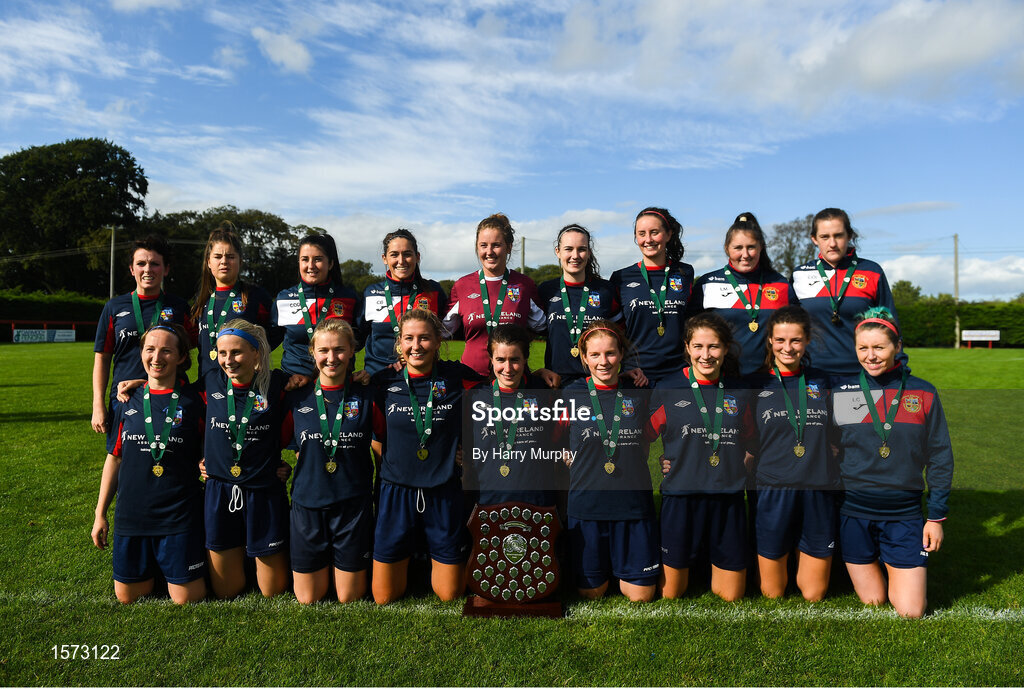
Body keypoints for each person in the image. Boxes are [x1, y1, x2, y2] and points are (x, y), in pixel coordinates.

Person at [832, 307, 952, 618]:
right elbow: (830, 450)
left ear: (897, 347)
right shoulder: (843, 391)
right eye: (863, 348)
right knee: (873, 601)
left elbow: (939, 456)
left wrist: (936, 517)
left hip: (904, 514)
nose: (870, 356)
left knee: (911, 610)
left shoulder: (922, 392)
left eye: (879, 347)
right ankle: (880, 563)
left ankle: (897, 562)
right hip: (853, 512)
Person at [370, 309, 483, 604]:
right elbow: (371, 432)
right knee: (383, 597)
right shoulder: (382, 382)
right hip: (396, 490)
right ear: (399, 343)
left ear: (438, 342)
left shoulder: (458, 377)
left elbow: (500, 389)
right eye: (408, 338)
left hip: (443, 489)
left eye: (424, 338)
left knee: (449, 594)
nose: (416, 346)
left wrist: (469, 451)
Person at [91, 323, 206, 604]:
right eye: (150, 349)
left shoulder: (196, 402)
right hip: (133, 517)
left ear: (181, 358)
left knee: (187, 599)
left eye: (167, 350)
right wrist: (100, 513)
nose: (157, 358)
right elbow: (114, 457)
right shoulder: (125, 402)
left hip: (178, 516)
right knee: (127, 598)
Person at [649, 312, 753, 601]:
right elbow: (640, 438)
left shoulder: (741, 391)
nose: (706, 355)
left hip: (728, 499)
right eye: (698, 347)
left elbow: (754, 441)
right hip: (681, 499)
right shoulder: (667, 388)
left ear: (726, 348)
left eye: (713, 347)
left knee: (732, 597)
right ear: (687, 347)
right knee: (671, 594)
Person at [561, 320, 659, 602]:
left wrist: (670, 459)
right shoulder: (569, 394)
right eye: (595, 355)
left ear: (621, 354)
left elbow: (657, 433)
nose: (603, 362)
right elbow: (553, 436)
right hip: (587, 507)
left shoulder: (640, 391)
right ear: (584, 357)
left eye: (610, 354)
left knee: (640, 596)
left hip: (633, 506)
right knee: (591, 593)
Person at [283, 319, 376, 604]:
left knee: (348, 597)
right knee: (308, 597)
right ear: (313, 352)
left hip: (353, 505)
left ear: (351, 352)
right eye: (324, 350)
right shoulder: (296, 396)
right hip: (308, 505)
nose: (331, 358)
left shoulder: (368, 395)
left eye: (339, 350)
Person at [750, 306, 836, 600]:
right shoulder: (755, 383)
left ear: (807, 340)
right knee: (772, 592)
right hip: (773, 488)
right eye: (780, 340)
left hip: (817, 488)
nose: (788, 348)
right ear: (770, 341)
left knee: (814, 593)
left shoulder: (824, 381)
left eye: (796, 340)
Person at [202, 319, 290, 598]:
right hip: (219, 491)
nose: (228, 361)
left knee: (272, 591)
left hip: (263, 490)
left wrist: (291, 466)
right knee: (227, 590)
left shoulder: (278, 384)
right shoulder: (210, 382)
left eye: (237, 352)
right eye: (222, 353)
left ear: (256, 353)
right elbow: (175, 405)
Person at [92, 235, 191, 452]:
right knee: (122, 458)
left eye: (155, 263)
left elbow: (191, 350)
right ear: (131, 269)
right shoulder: (114, 307)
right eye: (141, 263)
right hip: (125, 396)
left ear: (165, 269)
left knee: (173, 455)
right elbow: (102, 357)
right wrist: (97, 404)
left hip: (170, 396)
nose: (148, 269)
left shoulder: (179, 307)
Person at [790, 208, 899, 375]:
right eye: (825, 237)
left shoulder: (872, 271)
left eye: (838, 235)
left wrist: (900, 363)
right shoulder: (799, 275)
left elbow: (890, 323)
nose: (832, 243)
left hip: (862, 372)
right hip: (811, 372)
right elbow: (789, 327)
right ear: (814, 239)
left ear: (849, 236)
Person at [463, 324, 561, 508]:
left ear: (525, 359)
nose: (507, 368)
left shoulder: (544, 392)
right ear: (491, 359)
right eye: (500, 359)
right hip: (487, 503)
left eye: (515, 359)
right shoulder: (475, 396)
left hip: (537, 505)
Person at [688, 213, 798, 377]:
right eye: (738, 248)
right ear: (727, 248)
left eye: (751, 247)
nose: (745, 254)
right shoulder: (707, 284)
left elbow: (797, 331)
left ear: (761, 247)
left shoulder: (781, 284)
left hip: (770, 379)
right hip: (722, 379)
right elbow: (689, 333)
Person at [444, 213, 546, 377]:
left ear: (509, 246)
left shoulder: (524, 285)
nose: (489, 251)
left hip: (513, 379)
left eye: (496, 245)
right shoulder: (462, 286)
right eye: (483, 245)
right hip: (472, 379)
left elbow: (544, 327)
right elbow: (440, 332)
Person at [610, 207, 695, 386]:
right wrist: (622, 367)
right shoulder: (621, 277)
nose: (648, 240)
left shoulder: (685, 273)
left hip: (678, 373)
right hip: (636, 373)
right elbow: (615, 330)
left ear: (668, 234)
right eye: (642, 234)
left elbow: (691, 323)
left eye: (654, 232)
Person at [537, 224, 629, 387]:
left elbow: (622, 335)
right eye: (568, 249)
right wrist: (537, 372)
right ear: (558, 252)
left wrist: (629, 367)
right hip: (556, 382)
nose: (575, 255)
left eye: (581, 249)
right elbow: (531, 332)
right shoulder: (546, 290)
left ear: (589, 253)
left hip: (599, 380)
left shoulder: (606, 290)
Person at [273, 233, 362, 391]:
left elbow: (363, 339)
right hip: (295, 385)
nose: (311, 265)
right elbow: (266, 341)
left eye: (318, 259)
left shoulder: (348, 297)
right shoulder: (284, 298)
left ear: (331, 263)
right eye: (305, 259)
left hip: (338, 386)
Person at [190, 223, 277, 377]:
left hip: (245, 386)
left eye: (230, 257)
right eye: (217, 257)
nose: (224, 261)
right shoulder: (201, 300)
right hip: (207, 388)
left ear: (240, 261)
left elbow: (277, 332)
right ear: (209, 262)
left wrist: (256, 355)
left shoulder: (255, 296)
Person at [359, 229, 449, 376]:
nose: (401, 261)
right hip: (378, 378)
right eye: (394, 254)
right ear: (384, 258)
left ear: (417, 257)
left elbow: (449, 330)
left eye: (407, 254)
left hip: (422, 376)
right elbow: (356, 339)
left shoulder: (433, 291)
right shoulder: (371, 293)